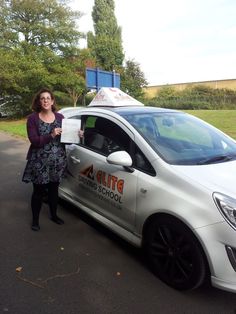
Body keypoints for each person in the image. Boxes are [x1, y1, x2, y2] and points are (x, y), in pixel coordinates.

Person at [22, 88, 67, 231]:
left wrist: (78, 135)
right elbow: (35, 141)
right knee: (38, 192)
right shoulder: (33, 119)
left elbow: (67, 140)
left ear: (52, 101)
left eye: (48, 98)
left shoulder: (60, 118)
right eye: (42, 98)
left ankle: (54, 215)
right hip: (39, 162)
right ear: (39, 101)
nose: (46, 100)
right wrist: (51, 134)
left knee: (54, 190)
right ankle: (35, 220)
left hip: (57, 161)